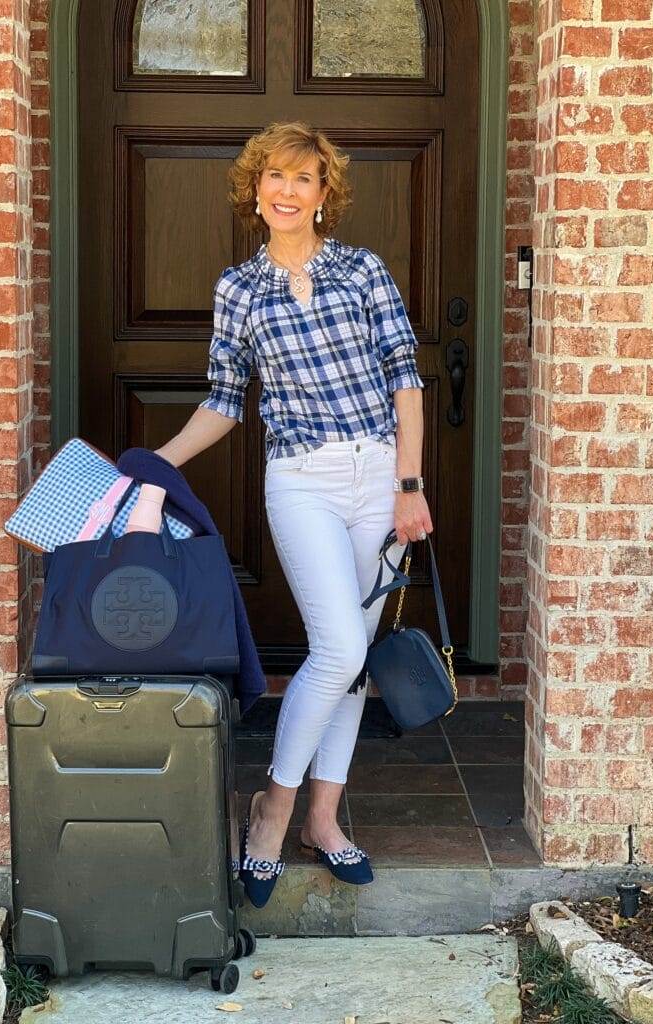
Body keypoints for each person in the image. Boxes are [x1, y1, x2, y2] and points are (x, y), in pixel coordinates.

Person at [154, 121, 432, 908]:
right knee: (339, 645)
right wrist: (158, 461)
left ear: (323, 194)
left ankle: (323, 816)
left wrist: (409, 484)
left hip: (379, 475)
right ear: (256, 189)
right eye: (273, 177)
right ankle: (272, 809)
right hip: (301, 479)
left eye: (303, 179)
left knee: (351, 664)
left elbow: (405, 377)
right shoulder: (238, 290)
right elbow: (223, 399)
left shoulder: (363, 271)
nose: (286, 190)